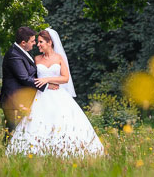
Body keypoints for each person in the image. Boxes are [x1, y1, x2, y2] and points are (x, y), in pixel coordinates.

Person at [6, 28, 104, 157]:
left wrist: (48, 79)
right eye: (37, 42)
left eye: (41, 42)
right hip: (41, 97)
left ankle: (66, 149)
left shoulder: (59, 58)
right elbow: (31, 78)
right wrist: (46, 84)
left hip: (59, 96)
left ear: (50, 42)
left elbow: (65, 78)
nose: (38, 44)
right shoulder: (36, 59)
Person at [0, 26, 46, 137]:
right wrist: (46, 84)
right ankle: (4, 154)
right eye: (32, 41)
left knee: (20, 134)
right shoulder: (14, 55)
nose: (34, 43)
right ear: (23, 42)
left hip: (21, 100)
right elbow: (24, 78)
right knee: (12, 133)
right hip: (13, 101)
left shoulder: (22, 52)